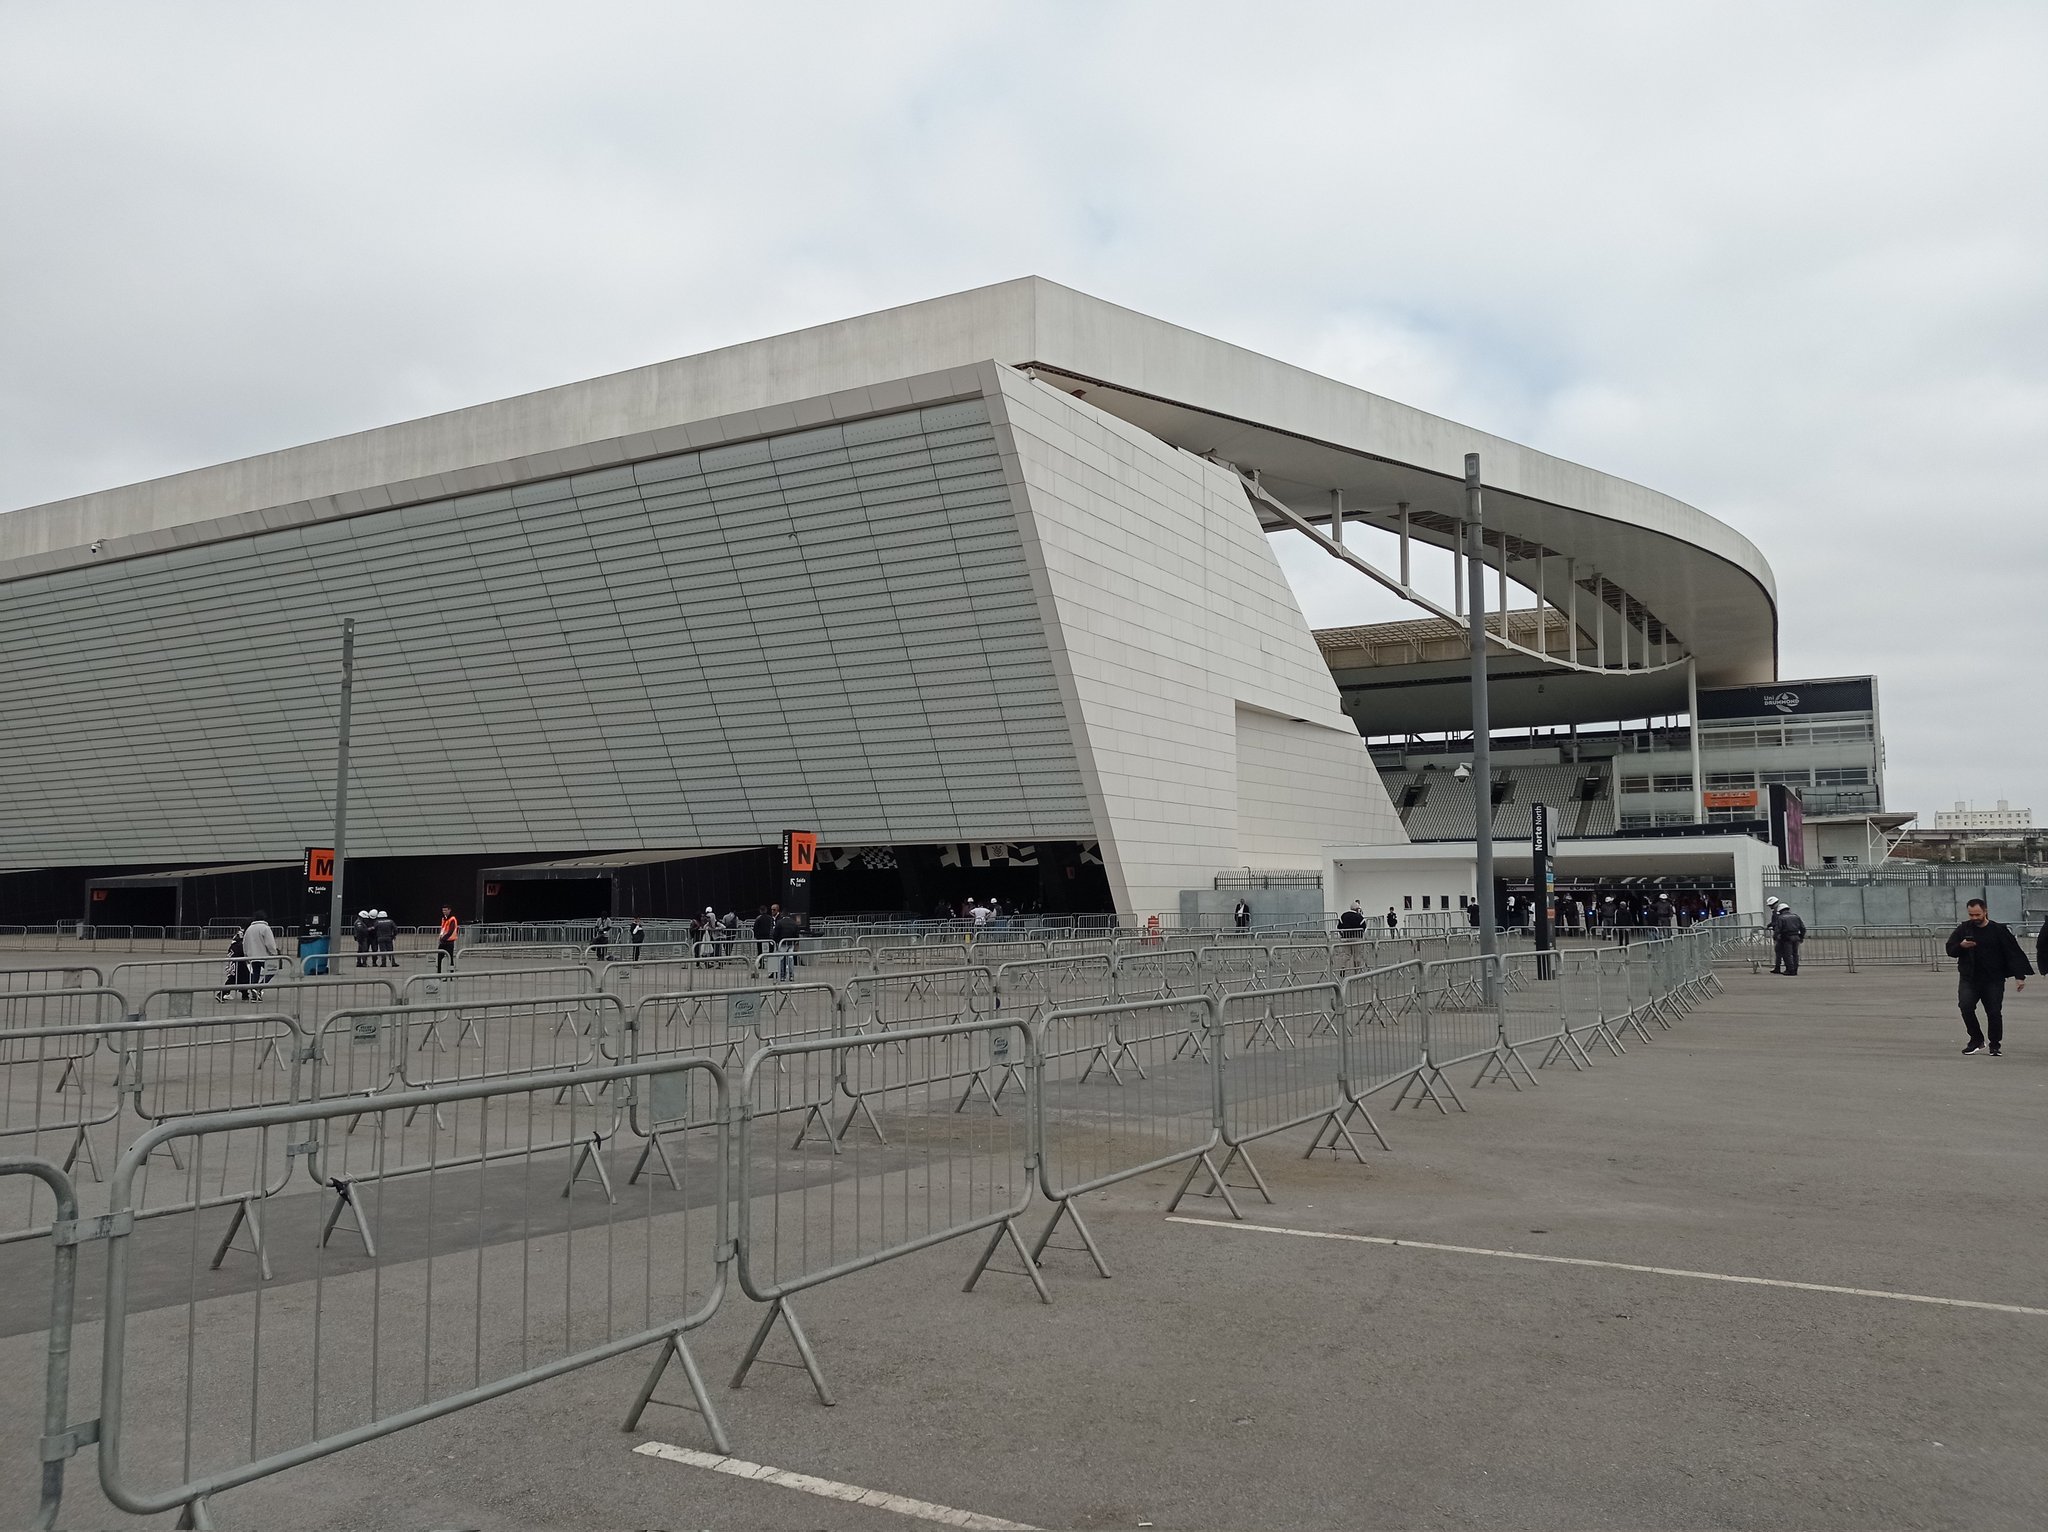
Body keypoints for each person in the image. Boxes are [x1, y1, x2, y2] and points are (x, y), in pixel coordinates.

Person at [1946, 898, 2032, 1056]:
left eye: (1977, 914)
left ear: (1985, 911)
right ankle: (1976, 1039)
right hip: (1969, 978)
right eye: (1971, 914)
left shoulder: (1998, 930)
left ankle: (1995, 1044)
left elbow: (2012, 953)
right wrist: (1961, 946)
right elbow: (1950, 949)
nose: (1974, 918)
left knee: (1993, 1011)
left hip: (1993, 979)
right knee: (1965, 1007)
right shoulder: (1964, 929)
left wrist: (2020, 976)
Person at [242, 910, 279, 996]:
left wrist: (246, 954)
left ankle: (254, 991)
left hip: (252, 956)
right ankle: (259, 987)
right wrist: (274, 952)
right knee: (272, 971)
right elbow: (270, 943)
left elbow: (245, 942)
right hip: (264, 955)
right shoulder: (265, 928)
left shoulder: (249, 929)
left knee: (256, 973)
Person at [1773, 903, 1806, 976]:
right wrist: (1801, 936)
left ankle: (1790, 970)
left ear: (1781, 910)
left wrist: (1775, 937)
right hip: (1796, 937)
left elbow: (1778, 929)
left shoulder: (1781, 918)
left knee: (1787, 954)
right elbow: (1803, 928)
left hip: (1786, 938)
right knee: (1795, 954)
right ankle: (1795, 969)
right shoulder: (1796, 916)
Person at [773, 905, 801, 982]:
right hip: (791, 943)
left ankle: (783, 976)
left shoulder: (779, 922)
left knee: (782, 960)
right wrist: (795, 942)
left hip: (782, 943)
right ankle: (791, 976)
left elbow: (775, 934)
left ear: (782, 914)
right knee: (790, 959)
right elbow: (796, 934)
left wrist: (776, 941)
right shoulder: (794, 923)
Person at [1764, 896, 1784, 972]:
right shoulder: (1779, 911)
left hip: (1778, 933)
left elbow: (1776, 922)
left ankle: (1778, 968)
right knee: (1782, 951)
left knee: (1779, 951)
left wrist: (1769, 925)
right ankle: (1780, 967)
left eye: (1770, 905)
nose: (1769, 907)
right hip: (1780, 933)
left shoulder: (1776, 912)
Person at [437, 906, 459, 972]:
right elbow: (443, 929)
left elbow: (450, 931)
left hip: (449, 941)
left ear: (449, 910)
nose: (444, 912)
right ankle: (439, 972)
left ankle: (451, 974)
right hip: (443, 941)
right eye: (443, 910)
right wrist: (440, 937)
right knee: (439, 957)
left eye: (445, 910)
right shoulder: (443, 919)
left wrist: (444, 938)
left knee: (450, 958)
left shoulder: (452, 919)